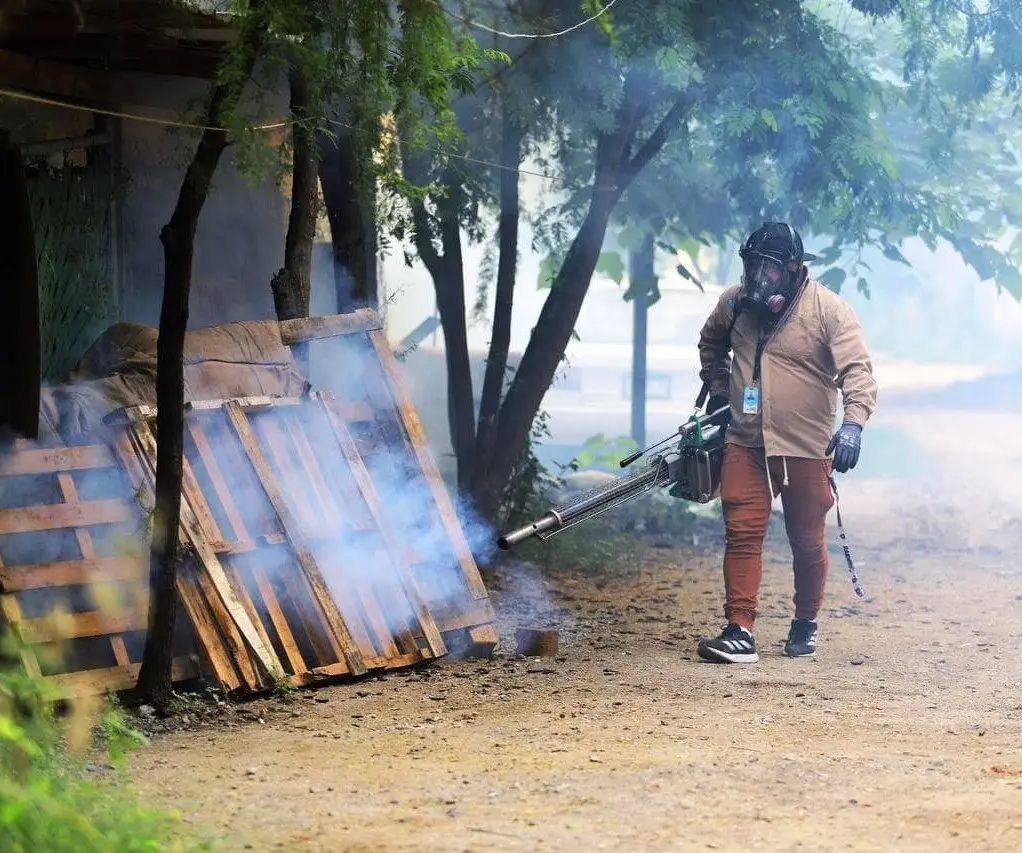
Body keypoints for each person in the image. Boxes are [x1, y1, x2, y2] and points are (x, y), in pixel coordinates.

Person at [694, 221, 878, 664]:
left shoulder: (829, 311)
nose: (758, 276)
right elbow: (710, 343)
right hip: (746, 441)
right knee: (741, 532)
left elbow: (858, 372)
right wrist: (719, 388)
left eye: (770, 268)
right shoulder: (735, 305)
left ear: (795, 270)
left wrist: (852, 425)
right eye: (752, 264)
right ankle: (739, 629)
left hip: (807, 447)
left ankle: (805, 621)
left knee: (807, 540)